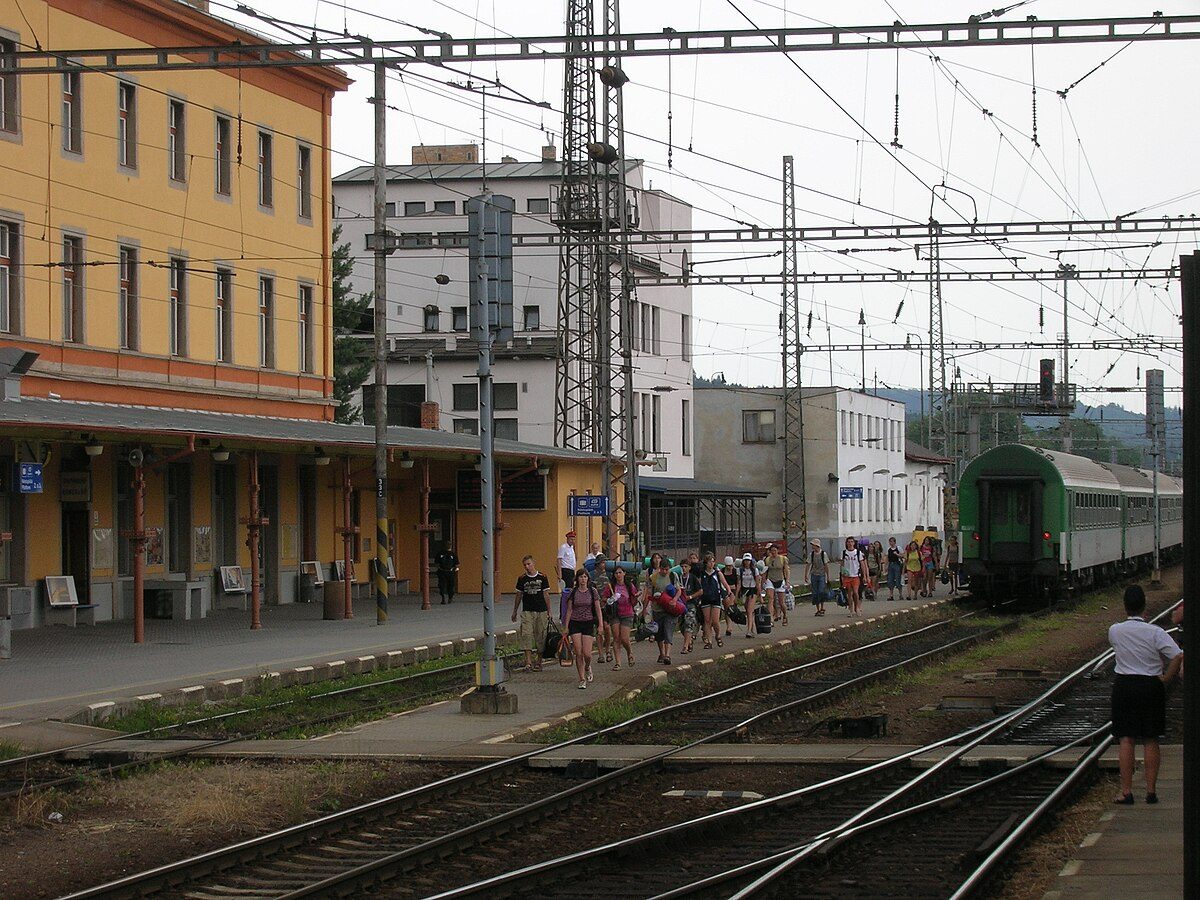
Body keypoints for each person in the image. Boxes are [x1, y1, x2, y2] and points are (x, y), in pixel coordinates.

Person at [1108, 585, 1183, 804]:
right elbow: (1177, 655)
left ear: (1125, 607)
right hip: (1151, 685)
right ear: (1144, 607)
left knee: (1126, 739)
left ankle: (1127, 791)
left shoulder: (1115, 630)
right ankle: (1151, 791)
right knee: (1151, 738)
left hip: (1124, 685)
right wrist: (1167, 677)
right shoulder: (1155, 632)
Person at [562, 568, 604, 689]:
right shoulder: (573, 592)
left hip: (588, 622)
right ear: (577, 579)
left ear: (588, 579)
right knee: (578, 652)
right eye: (581, 577)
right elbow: (569, 610)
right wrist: (566, 627)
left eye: (585, 577)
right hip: (575, 623)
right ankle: (581, 679)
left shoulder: (592, 591)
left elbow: (597, 609)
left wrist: (600, 624)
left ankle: (587, 667)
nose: (583, 579)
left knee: (587, 654)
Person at [511, 555, 553, 672]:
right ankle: (528, 662)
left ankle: (539, 661)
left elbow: (546, 595)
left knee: (541, 636)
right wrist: (515, 611)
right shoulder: (522, 579)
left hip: (541, 610)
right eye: (525, 565)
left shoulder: (543, 577)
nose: (527, 567)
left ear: (533, 563)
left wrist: (549, 611)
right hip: (527, 611)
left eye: (529, 564)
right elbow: (518, 595)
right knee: (526, 634)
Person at [644, 556, 679, 665]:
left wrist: (674, 600)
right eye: (662, 569)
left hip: (670, 609)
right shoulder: (653, 577)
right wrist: (645, 608)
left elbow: (679, 590)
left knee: (668, 631)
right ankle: (662, 653)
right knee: (659, 633)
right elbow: (648, 593)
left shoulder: (673, 576)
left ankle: (667, 655)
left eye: (666, 569)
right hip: (657, 608)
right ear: (659, 568)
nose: (664, 571)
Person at [604, 565, 636, 669]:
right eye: (616, 573)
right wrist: (610, 599)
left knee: (624, 638)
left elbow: (634, 600)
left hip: (627, 613)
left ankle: (629, 653)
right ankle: (618, 663)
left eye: (620, 572)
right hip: (615, 614)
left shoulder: (629, 586)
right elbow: (603, 598)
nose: (618, 575)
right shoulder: (611, 586)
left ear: (624, 573)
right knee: (616, 637)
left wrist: (636, 597)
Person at [696, 553, 731, 649]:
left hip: (716, 597)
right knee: (707, 620)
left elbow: (725, 584)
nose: (711, 564)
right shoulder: (702, 574)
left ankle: (718, 635)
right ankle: (709, 641)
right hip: (705, 598)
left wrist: (728, 592)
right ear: (706, 563)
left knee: (715, 620)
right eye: (709, 562)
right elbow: (699, 586)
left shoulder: (717, 573)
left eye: (712, 561)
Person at [763, 544, 791, 626]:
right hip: (770, 580)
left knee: (781, 602)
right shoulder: (767, 560)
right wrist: (763, 581)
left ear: (777, 551)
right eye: (772, 551)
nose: (773, 552)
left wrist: (787, 581)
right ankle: (771, 618)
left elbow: (786, 570)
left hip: (780, 579)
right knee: (770, 599)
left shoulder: (783, 559)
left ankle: (785, 616)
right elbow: (765, 571)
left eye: (775, 551)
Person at [735, 553, 761, 638]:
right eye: (745, 560)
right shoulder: (740, 570)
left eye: (748, 560)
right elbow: (739, 583)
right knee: (747, 609)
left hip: (752, 590)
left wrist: (760, 596)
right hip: (744, 590)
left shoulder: (754, 570)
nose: (747, 562)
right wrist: (736, 596)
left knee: (749, 610)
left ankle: (749, 631)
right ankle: (751, 628)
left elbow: (757, 584)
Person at [678, 560, 701, 654]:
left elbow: (700, 591)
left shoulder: (693, 578)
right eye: (682, 566)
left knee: (689, 622)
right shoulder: (677, 578)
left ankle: (685, 646)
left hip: (690, 604)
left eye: (685, 566)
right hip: (680, 604)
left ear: (689, 568)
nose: (684, 568)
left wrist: (690, 597)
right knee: (682, 625)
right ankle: (689, 641)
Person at [841, 537, 866, 616]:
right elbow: (842, 564)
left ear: (854, 543)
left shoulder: (858, 553)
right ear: (846, 543)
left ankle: (857, 607)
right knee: (849, 594)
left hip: (855, 575)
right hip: (847, 576)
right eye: (848, 542)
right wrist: (842, 574)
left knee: (856, 592)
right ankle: (851, 610)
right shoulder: (844, 553)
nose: (850, 543)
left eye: (851, 542)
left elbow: (862, 565)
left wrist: (865, 576)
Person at [804, 539, 829, 617]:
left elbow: (826, 566)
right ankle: (817, 609)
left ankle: (822, 607)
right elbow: (808, 564)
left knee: (821, 591)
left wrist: (828, 576)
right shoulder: (811, 554)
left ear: (817, 545)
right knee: (815, 593)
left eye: (813, 545)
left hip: (821, 575)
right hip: (814, 575)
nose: (812, 546)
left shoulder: (823, 554)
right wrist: (806, 575)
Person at [885, 537, 904, 601]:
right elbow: (887, 558)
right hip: (891, 564)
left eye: (892, 541)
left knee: (898, 579)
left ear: (895, 542)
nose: (891, 543)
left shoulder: (898, 548)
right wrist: (886, 566)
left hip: (897, 564)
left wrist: (897, 554)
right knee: (890, 580)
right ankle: (891, 595)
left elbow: (902, 556)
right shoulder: (888, 549)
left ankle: (900, 594)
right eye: (890, 542)